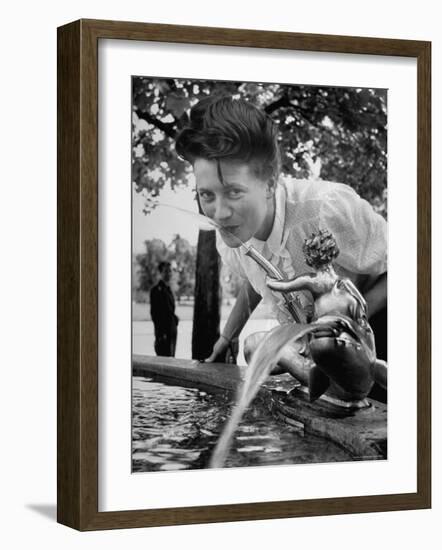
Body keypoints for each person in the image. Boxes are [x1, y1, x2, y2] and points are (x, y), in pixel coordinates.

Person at [175, 94, 387, 382]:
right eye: (207, 195)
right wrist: (228, 335)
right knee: (257, 350)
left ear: (269, 182)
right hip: (315, 349)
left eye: (234, 191)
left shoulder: (326, 209)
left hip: (379, 336)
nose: (219, 213)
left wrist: (342, 328)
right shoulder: (231, 233)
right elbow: (257, 274)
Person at [150, 261, 179, 357]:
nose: (169, 273)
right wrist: (161, 335)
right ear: (160, 273)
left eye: (170, 271)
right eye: (166, 271)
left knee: (172, 359)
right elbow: (155, 315)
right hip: (163, 334)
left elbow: (170, 310)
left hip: (171, 331)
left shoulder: (168, 289)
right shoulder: (156, 290)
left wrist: (175, 319)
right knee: (164, 361)